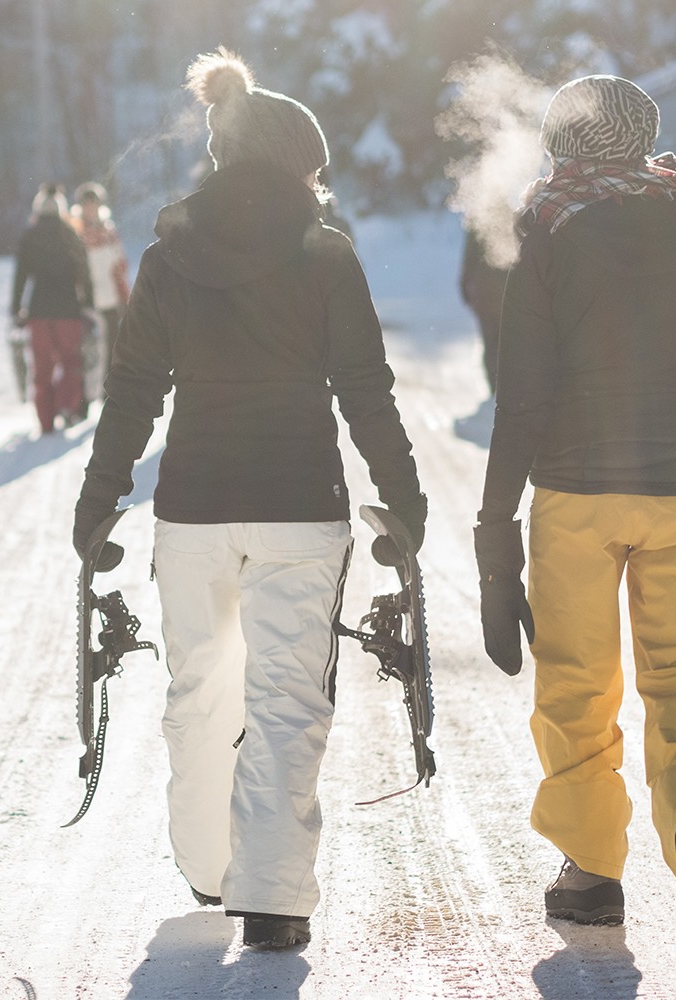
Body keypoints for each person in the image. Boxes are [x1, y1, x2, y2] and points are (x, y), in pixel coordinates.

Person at [72, 48, 426, 952]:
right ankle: (271, 897)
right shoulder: (327, 255)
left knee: (199, 691)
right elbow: (365, 388)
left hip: (193, 507)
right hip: (301, 506)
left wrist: (99, 497)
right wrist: (404, 496)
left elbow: (134, 389)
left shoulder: (167, 255)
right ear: (300, 165)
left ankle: (207, 866)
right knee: (285, 697)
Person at [471, 75, 676, 941]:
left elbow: (525, 395)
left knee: (578, 681)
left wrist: (494, 529)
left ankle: (589, 871)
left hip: (577, 492)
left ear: (561, 143)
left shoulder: (548, 223)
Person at [11, 183, 94, 433]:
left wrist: (17, 308)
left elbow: (21, 276)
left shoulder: (29, 236)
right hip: (69, 310)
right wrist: (88, 303)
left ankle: (46, 421)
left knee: (42, 368)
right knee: (70, 362)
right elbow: (84, 273)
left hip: (38, 313)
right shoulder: (70, 233)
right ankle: (67, 406)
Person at [71, 182, 131, 412]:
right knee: (88, 352)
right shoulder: (76, 234)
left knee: (111, 350)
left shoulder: (109, 232)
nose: (91, 209)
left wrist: (124, 297)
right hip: (87, 302)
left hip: (110, 300)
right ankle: (83, 399)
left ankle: (108, 395)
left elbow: (120, 266)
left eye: (94, 204)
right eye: (87, 205)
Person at [459, 227, 508, 395]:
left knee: (489, 340)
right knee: (507, 340)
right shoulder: (511, 218)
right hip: (505, 292)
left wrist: (465, 288)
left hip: (483, 292)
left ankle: (493, 383)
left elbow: (468, 260)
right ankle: (504, 383)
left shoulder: (478, 223)